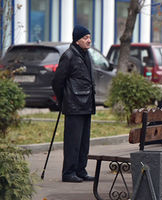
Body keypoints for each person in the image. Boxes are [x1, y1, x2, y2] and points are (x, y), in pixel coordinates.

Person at [52, 25, 95, 183]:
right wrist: (63, 99)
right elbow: (57, 81)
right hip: (73, 105)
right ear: (77, 40)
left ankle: (80, 170)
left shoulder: (86, 54)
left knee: (84, 141)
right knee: (73, 142)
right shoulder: (69, 55)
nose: (89, 40)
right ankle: (68, 172)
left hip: (86, 104)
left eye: (89, 37)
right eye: (85, 38)